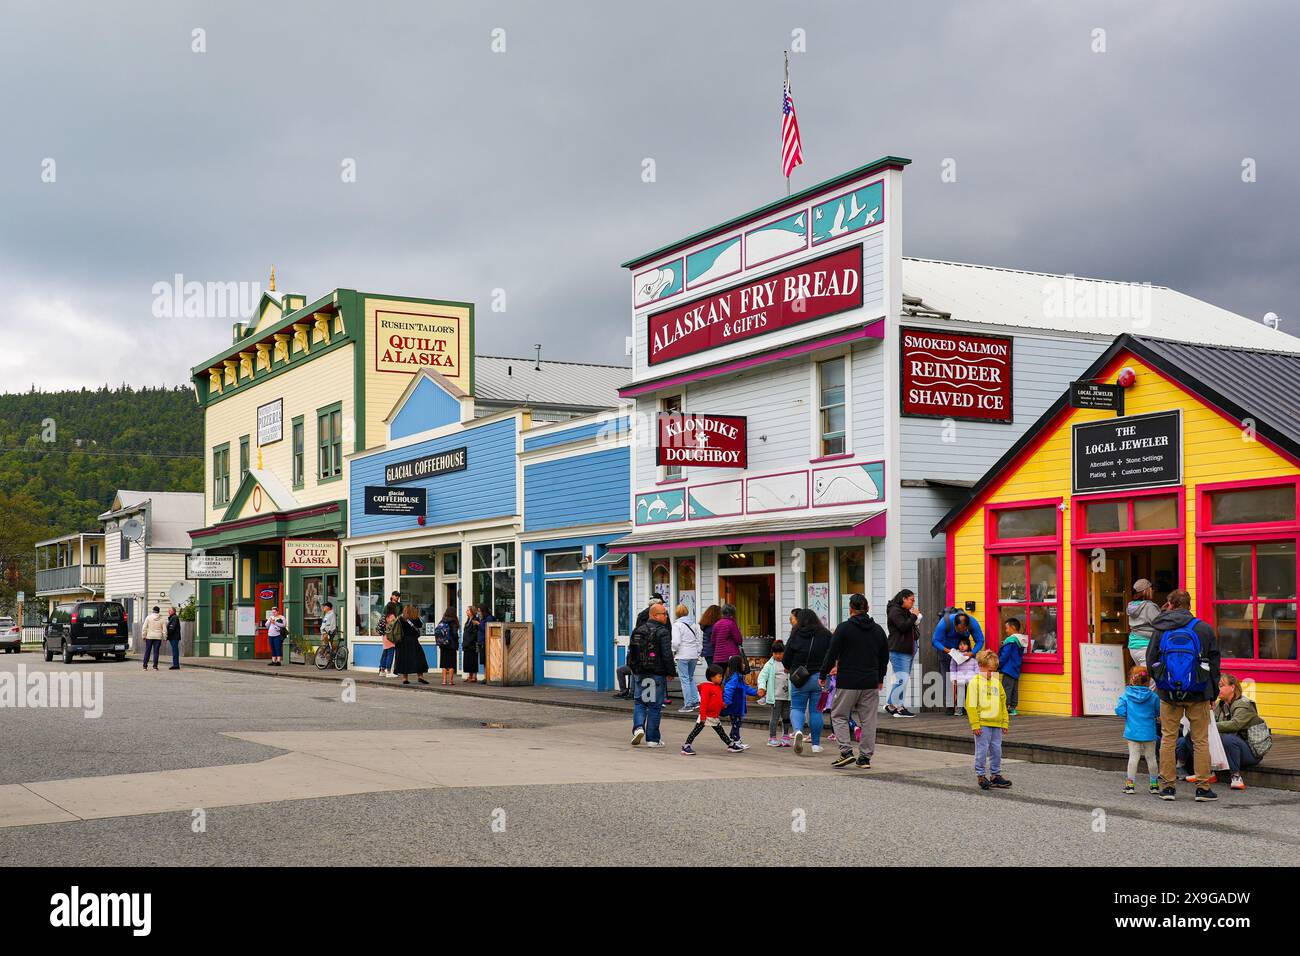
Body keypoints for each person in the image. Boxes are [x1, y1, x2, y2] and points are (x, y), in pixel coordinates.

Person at [1147, 589, 1220, 802]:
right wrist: (1212, 693)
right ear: (1189, 605)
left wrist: (1163, 682)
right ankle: (1203, 788)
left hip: (1168, 693)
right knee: (1200, 740)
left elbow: (1151, 659)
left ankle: (1168, 787)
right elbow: (1214, 664)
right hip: (1198, 691)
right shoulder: (1203, 629)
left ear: (1170, 604)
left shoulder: (1161, 628)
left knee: (1169, 738)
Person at [821, 593, 889, 770]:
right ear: (867, 609)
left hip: (848, 681)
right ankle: (865, 758)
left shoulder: (844, 629)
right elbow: (884, 656)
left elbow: (831, 653)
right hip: (870, 682)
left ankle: (846, 751)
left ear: (850, 609)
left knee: (839, 715)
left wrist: (823, 674)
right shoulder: (878, 630)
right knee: (869, 720)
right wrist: (880, 677)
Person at [1177, 674, 1267, 791]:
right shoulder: (1220, 704)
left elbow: (1235, 725)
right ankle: (1207, 772)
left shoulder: (1244, 704)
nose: (1218, 689)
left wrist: (1208, 725)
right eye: (1217, 686)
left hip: (1250, 751)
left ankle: (1236, 777)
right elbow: (1209, 721)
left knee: (1228, 739)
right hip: (1229, 749)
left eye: (1221, 686)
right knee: (1194, 734)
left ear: (1232, 687)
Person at [784, 608, 833, 755]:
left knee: (797, 708)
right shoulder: (825, 634)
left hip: (800, 678)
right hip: (820, 678)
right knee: (816, 711)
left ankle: (798, 731)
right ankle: (816, 745)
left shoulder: (795, 634)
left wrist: (790, 667)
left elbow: (786, 659)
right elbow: (831, 655)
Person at [628, 601, 673, 748]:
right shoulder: (663, 632)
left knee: (640, 702)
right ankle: (653, 739)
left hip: (640, 672)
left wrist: (633, 668)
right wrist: (671, 672)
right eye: (664, 614)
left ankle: (638, 727)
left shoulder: (638, 630)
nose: (666, 616)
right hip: (656, 673)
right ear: (655, 615)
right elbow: (667, 654)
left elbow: (631, 652)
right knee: (654, 705)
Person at [968, 649, 1012, 790]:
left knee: (996, 750)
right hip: (982, 723)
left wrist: (1004, 721)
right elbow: (971, 705)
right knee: (982, 750)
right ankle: (981, 775)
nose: (991, 674)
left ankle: (995, 775)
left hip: (996, 723)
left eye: (994, 671)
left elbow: (1002, 703)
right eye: (989, 670)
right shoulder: (975, 683)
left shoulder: (996, 683)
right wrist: (975, 724)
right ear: (980, 666)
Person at [1115, 665, 1160, 795]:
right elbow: (1157, 712)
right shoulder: (1153, 697)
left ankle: (1130, 785)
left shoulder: (1126, 695)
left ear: (1132, 679)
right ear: (1148, 681)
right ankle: (1154, 784)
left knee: (1133, 758)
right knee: (1151, 758)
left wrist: (1127, 715)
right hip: (1149, 732)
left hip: (1132, 731)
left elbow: (1119, 710)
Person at [931, 609, 985, 715]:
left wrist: (972, 653)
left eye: (964, 630)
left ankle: (963, 705)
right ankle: (950, 706)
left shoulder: (973, 623)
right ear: (954, 625)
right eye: (959, 630)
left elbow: (980, 640)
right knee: (948, 677)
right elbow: (935, 641)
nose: (962, 632)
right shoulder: (944, 623)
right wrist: (947, 650)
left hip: (964, 653)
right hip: (946, 650)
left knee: (965, 680)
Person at [681, 665, 744, 755]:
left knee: (720, 732)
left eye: (721, 676)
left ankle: (730, 744)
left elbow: (718, 700)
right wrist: (703, 716)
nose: (721, 678)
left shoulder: (717, 687)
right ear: (712, 677)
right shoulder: (707, 688)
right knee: (696, 731)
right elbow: (704, 703)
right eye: (719, 676)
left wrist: (723, 705)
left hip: (714, 715)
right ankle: (686, 746)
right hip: (706, 716)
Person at [884, 589, 921, 717]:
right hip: (899, 650)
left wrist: (914, 618)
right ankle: (898, 707)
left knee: (901, 679)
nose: (913, 602)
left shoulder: (903, 611)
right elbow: (903, 627)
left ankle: (891, 705)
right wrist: (914, 616)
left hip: (906, 650)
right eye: (911, 600)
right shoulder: (895, 611)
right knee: (902, 679)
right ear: (904, 599)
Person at [757, 640, 792, 746]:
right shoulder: (770, 664)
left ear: (784, 652)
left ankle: (786, 735)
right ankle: (772, 737)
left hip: (787, 696)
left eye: (780, 653)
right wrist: (762, 687)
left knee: (786, 717)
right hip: (776, 696)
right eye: (775, 653)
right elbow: (762, 676)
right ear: (772, 653)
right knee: (775, 717)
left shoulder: (788, 662)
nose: (778, 655)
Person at [671, 604, 703, 713]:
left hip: (682, 655)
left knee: (684, 679)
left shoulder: (677, 625)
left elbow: (675, 642)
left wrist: (673, 651)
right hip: (693, 654)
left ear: (677, 613)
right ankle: (696, 701)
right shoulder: (694, 624)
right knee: (690, 678)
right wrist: (697, 652)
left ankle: (688, 704)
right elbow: (699, 641)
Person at [720, 655, 757, 749]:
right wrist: (727, 702)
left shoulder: (739, 677)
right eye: (742, 663)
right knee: (736, 723)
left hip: (738, 705)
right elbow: (728, 689)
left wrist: (757, 692)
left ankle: (735, 739)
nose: (744, 665)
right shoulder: (735, 677)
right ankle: (736, 741)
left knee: (737, 723)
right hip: (734, 705)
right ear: (737, 665)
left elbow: (746, 688)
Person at [1127, 579, 1161, 669]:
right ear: (1146, 591)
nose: (1153, 591)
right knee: (1151, 679)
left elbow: (1144, 619)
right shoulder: (1150, 606)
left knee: (1142, 676)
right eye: (1151, 589)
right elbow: (1160, 624)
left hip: (1133, 646)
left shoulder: (1132, 605)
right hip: (1146, 646)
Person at [394, 604, 430, 685]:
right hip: (413, 641)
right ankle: (420, 676)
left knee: (404, 660)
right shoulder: (415, 618)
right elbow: (420, 625)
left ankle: (405, 678)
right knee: (419, 658)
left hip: (402, 642)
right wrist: (417, 617)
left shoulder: (400, 619)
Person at [998, 617, 1025, 716]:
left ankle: (1006, 707)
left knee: (1007, 688)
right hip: (1016, 667)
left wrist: (998, 664)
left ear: (1013, 627)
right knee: (1014, 688)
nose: (1006, 630)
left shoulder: (1011, 641)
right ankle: (1013, 707)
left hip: (1008, 668)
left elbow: (1005, 654)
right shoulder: (1021, 639)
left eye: (1007, 628)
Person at [951, 637, 979, 718]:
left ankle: (972, 709)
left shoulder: (972, 656)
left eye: (964, 644)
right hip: (960, 678)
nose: (962, 646)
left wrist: (977, 678)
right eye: (960, 644)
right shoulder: (955, 656)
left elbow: (976, 668)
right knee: (960, 694)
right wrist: (953, 678)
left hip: (971, 679)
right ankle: (959, 709)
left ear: (968, 646)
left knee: (971, 694)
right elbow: (953, 668)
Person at [433, 607, 459, 685]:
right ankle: (451, 681)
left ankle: (444, 680)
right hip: (451, 645)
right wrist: (456, 640)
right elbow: (454, 634)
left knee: (444, 663)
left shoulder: (442, 620)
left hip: (443, 644)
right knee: (451, 663)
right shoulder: (453, 622)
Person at [142, 605, 165, 671]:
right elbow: (164, 630)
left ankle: (145, 666)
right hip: (158, 637)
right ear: (158, 611)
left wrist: (143, 636)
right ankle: (155, 666)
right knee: (156, 652)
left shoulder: (148, 618)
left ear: (153, 611)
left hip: (149, 637)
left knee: (147, 651)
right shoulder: (162, 619)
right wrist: (165, 637)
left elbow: (144, 628)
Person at [461, 604, 480, 682]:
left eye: (468, 610)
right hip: (466, 643)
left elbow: (475, 632)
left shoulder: (475, 620)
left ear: (472, 611)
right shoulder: (468, 620)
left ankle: (474, 676)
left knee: (473, 659)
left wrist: (469, 641)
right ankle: (469, 675)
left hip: (472, 643)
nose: (467, 611)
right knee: (468, 660)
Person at [378, 610, 398, 677]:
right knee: (390, 654)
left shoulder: (383, 616)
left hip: (384, 636)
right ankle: (389, 672)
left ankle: (382, 671)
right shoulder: (392, 616)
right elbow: (395, 626)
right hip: (390, 637)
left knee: (385, 654)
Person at [165, 606, 182, 670]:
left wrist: (167, 635)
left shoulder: (174, 617)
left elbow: (172, 628)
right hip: (173, 637)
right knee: (175, 651)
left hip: (174, 637)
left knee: (175, 651)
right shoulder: (172, 617)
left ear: (173, 611)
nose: (168, 612)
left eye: (169, 610)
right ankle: (175, 664)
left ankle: (176, 665)